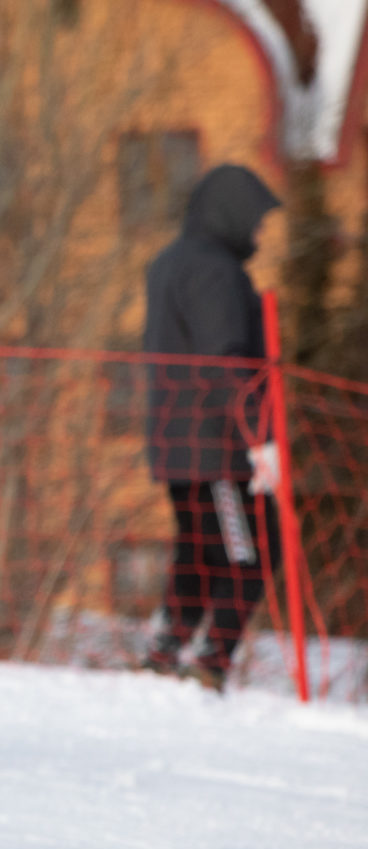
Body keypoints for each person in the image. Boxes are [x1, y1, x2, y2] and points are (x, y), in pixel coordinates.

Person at [140, 164, 283, 693]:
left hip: (177, 443)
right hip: (215, 448)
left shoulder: (169, 263)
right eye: (256, 222)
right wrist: (258, 441)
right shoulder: (216, 272)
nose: (259, 234)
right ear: (230, 215)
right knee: (252, 550)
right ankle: (209, 662)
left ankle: (165, 650)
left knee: (199, 549)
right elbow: (226, 359)